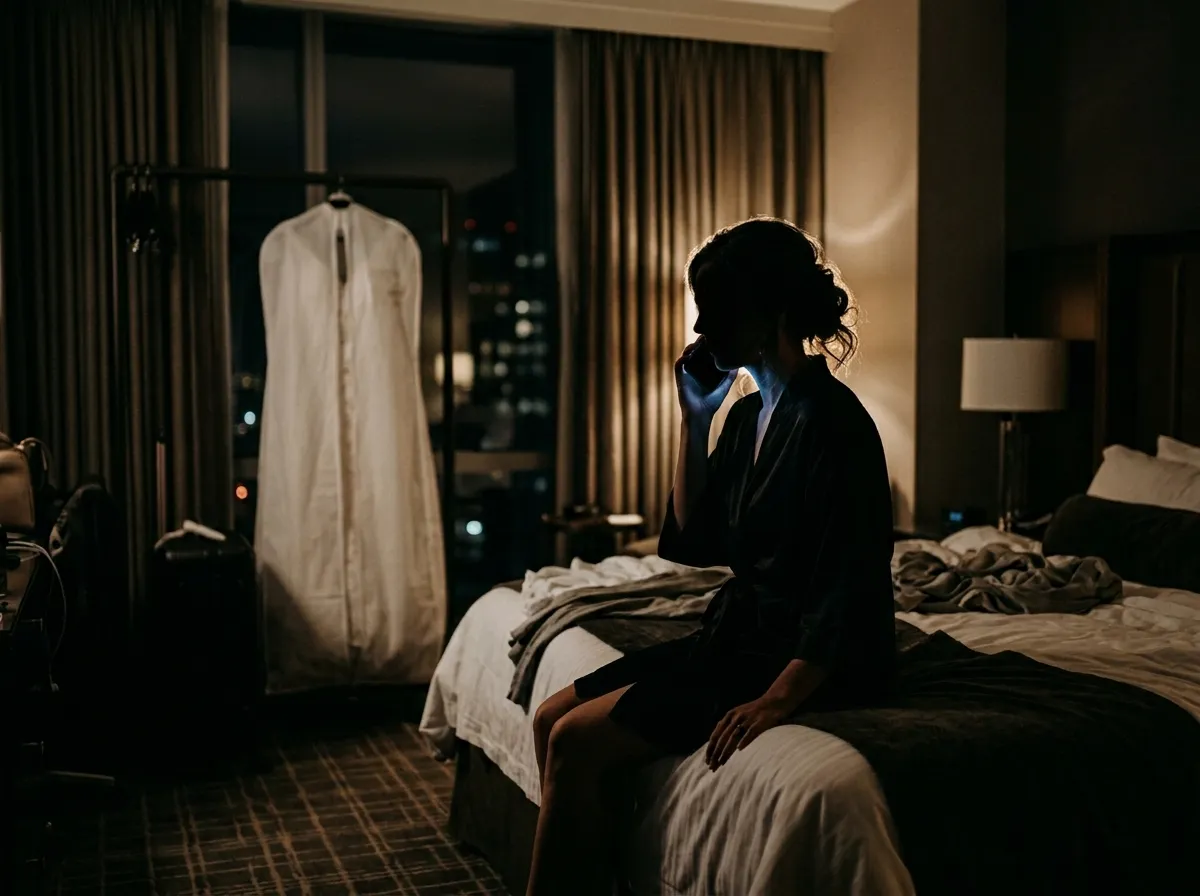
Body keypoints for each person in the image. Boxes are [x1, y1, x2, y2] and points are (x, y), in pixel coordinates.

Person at [525, 217, 896, 896]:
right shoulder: (753, 417)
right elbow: (691, 542)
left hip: (800, 660)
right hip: (741, 637)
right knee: (551, 716)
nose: (700, 330)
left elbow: (849, 584)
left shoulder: (834, 424)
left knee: (576, 742)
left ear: (771, 312)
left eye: (716, 311)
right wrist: (692, 420)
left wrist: (777, 700)